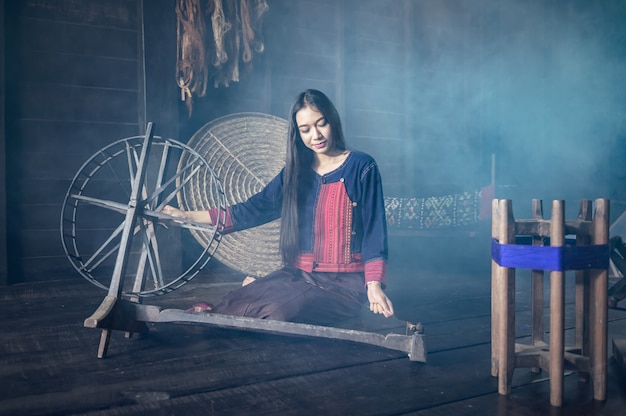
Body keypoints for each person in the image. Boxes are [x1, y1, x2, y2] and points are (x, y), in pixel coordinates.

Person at [163, 89, 394, 325]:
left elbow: (375, 231)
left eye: (321, 124)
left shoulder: (361, 166)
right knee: (236, 304)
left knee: (278, 313)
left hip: (344, 286)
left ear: (332, 120)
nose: (316, 135)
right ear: (297, 133)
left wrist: (373, 286)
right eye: (305, 130)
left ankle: (267, 289)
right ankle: (264, 287)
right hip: (296, 276)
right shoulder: (295, 173)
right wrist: (185, 215)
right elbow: (253, 209)